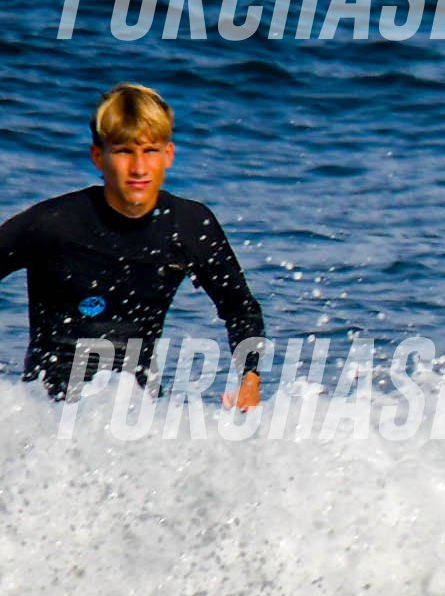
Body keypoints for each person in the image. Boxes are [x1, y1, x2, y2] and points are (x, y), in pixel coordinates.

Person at [5, 85, 264, 404]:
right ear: (98, 156)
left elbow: (241, 309)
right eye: (124, 151)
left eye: (150, 151)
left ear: (168, 155)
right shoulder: (53, 223)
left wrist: (250, 380)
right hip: (45, 411)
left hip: (139, 414)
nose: (139, 168)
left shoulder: (187, 226)